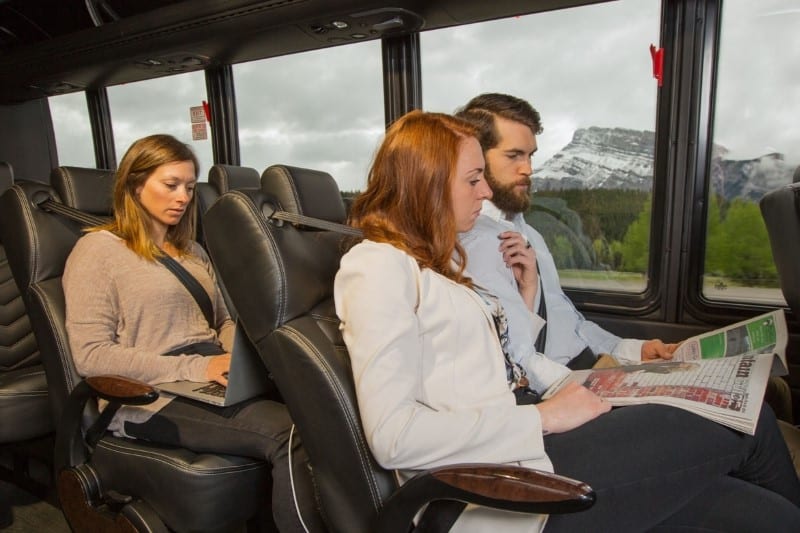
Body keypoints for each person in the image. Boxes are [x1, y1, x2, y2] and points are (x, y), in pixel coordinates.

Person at [334, 110, 800, 532]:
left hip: (526, 444)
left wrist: (590, 390)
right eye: (473, 178)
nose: (485, 191)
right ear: (428, 184)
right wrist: (545, 416)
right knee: (748, 420)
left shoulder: (440, 264)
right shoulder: (376, 267)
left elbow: (513, 360)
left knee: (766, 516)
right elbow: (393, 437)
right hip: (493, 485)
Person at [62, 134, 324, 532]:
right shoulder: (97, 252)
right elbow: (92, 356)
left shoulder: (194, 253)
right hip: (145, 397)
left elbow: (223, 323)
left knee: (322, 410)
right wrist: (200, 369)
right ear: (135, 185)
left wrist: (239, 361)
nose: (183, 197)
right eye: (170, 185)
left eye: (188, 186)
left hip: (207, 375)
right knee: (292, 435)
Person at [455, 93, 677, 380]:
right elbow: (509, 356)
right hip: (557, 383)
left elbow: (567, 319)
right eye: (514, 156)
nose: (528, 169)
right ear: (477, 157)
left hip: (588, 365)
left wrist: (633, 350)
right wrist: (574, 388)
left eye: (530, 155)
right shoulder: (474, 243)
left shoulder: (527, 232)